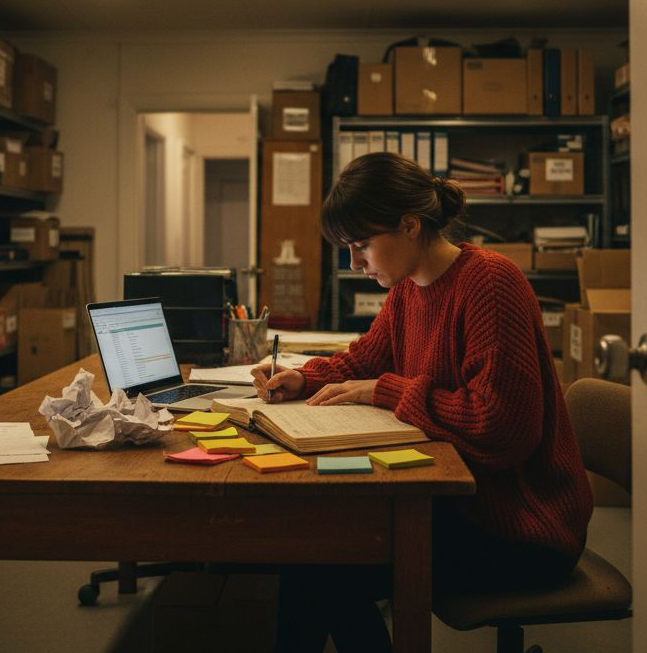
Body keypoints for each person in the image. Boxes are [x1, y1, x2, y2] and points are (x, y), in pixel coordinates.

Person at [249, 152, 594, 652]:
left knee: (323, 565)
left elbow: (502, 431)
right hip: (467, 500)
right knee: (312, 550)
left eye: (362, 245)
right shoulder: (409, 291)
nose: (354, 263)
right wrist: (300, 379)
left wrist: (388, 390)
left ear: (410, 226)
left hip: (523, 525)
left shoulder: (491, 283)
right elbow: (363, 361)